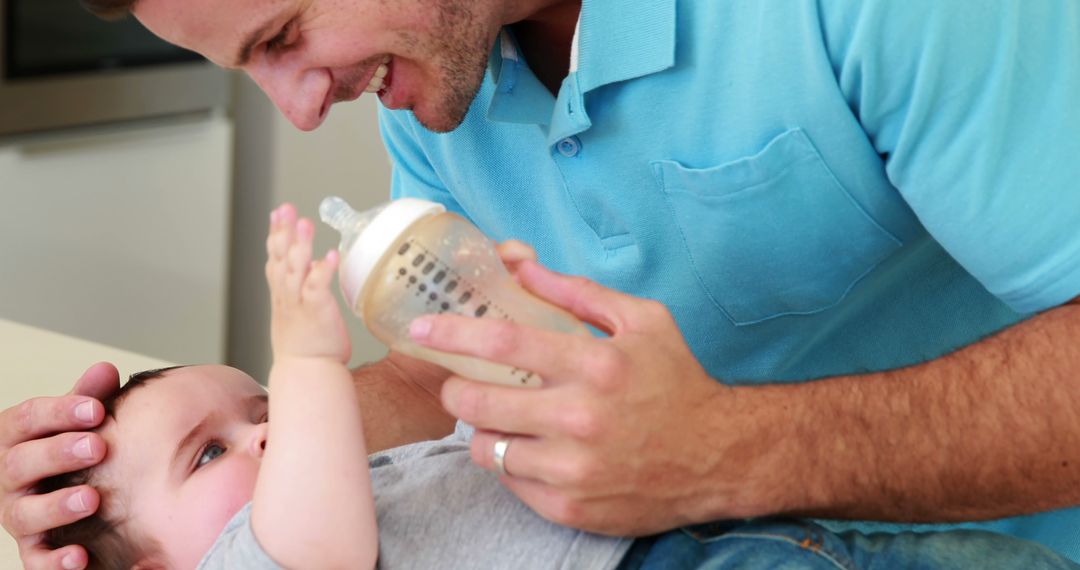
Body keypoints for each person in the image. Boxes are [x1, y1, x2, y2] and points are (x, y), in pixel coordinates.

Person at [3, 0, 1080, 567]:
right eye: (253, 68)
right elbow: (448, 381)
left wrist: (729, 453)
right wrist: (141, 499)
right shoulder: (440, 100)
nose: (298, 104)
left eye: (285, 35)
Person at [35, 205, 1080, 570]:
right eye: (210, 454)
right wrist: (303, 363)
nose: (266, 440)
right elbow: (321, 544)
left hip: (749, 524)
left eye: (258, 414)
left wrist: (505, 318)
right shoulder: (257, 559)